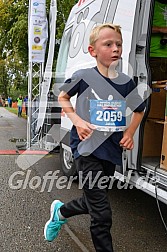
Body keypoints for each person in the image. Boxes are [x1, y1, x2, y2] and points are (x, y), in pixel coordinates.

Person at [44, 23, 145, 251]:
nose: (115, 48)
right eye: (108, 44)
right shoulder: (84, 76)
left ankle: (60, 212)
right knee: (102, 213)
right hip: (86, 149)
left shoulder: (126, 82)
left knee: (93, 201)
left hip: (110, 151)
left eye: (118, 44)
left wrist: (129, 133)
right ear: (93, 51)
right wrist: (78, 122)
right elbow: (62, 97)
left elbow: (139, 109)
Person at [150, 0, 167, 81]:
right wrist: (160, 29)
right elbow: (140, 28)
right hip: (155, 56)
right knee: (159, 90)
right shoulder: (149, 5)